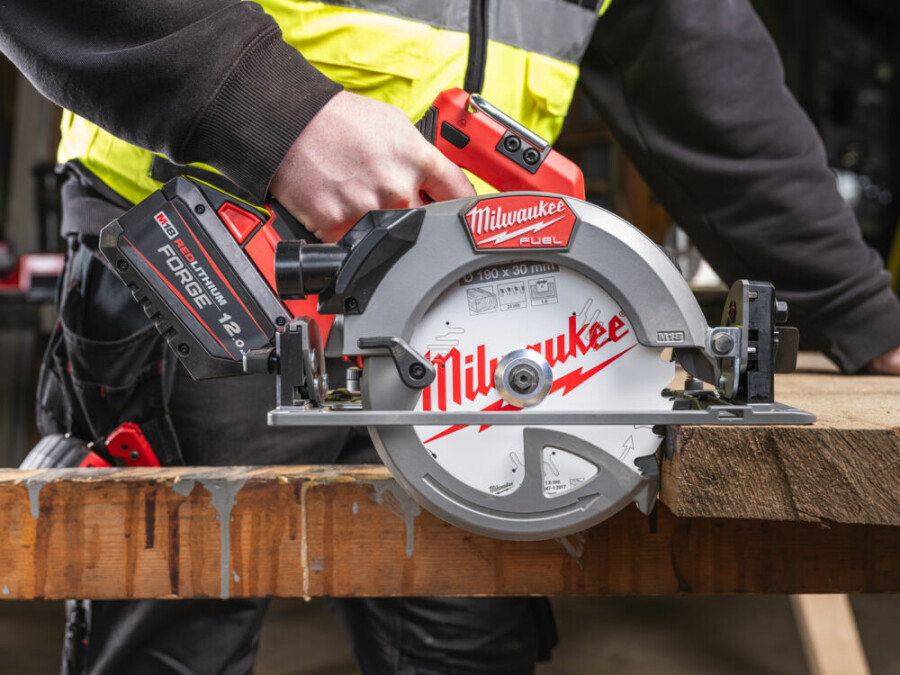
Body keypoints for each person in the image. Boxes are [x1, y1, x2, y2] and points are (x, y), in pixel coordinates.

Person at [2, 0, 899, 673]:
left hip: (475, 313)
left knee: (469, 641)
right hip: (210, 259)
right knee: (171, 624)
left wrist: (863, 315)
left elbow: (707, 84)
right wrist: (272, 109)